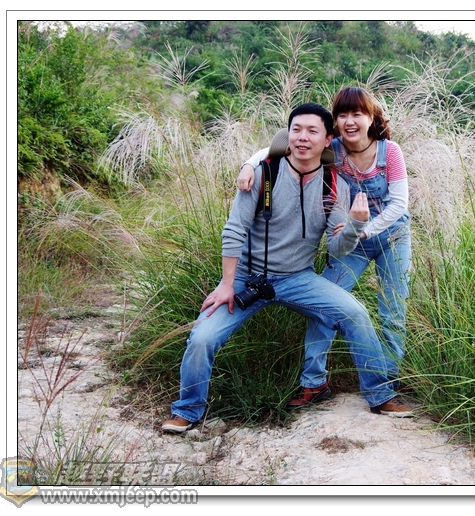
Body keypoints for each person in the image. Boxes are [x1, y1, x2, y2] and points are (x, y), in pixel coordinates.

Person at [161, 102, 413, 434]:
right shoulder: (263, 173)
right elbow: (234, 229)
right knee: (202, 337)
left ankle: (380, 395)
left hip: (298, 278)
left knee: (355, 313)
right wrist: (226, 284)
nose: (303, 137)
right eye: (297, 130)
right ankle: (188, 410)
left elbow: (336, 248)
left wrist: (355, 226)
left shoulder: (335, 185)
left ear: (328, 140)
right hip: (247, 278)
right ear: (288, 134)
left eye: (312, 131)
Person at [237, 87, 411, 406]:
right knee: (325, 308)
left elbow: (399, 204)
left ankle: (385, 383)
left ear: (371, 117)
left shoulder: (390, 152)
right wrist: (249, 164)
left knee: (393, 312)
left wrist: (364, 229)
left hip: (391, 238)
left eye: (357, 114)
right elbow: (280, 146)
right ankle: (314, 383)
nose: (349, 121)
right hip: (350, 242)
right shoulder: (333, 148)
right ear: (335, 123)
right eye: (342, 115)